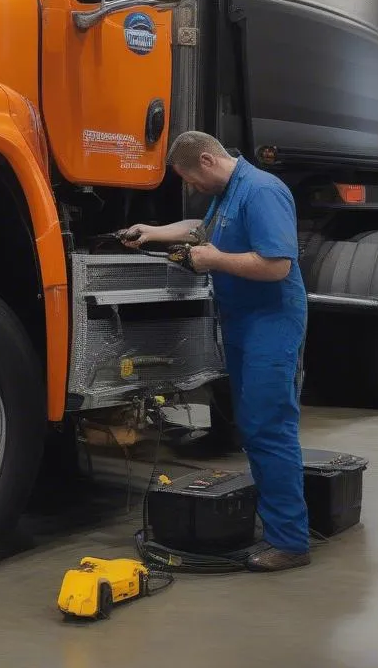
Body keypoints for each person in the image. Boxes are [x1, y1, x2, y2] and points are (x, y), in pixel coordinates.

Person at [124, 131, 310, 571]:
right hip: (245, 323)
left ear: (207, 160)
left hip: (272, 322)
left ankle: (291, 542)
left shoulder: (262, 191)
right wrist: (152, 232)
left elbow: (277, 264)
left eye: (191, 179)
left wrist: (213, 262)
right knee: (254, 425)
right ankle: (281, 524)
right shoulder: (230, 191)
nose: (193, 188)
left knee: (269, 427)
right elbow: (199, 230)